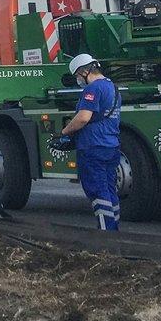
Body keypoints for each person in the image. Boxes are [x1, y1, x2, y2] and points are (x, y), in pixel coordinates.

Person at [58, 53, 122, 230]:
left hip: (93, 147)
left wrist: (64, 132)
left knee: (98, 191)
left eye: (78, 75)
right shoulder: (113, 87)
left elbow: (83, 118)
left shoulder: (92, 89)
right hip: (111, 146)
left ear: (85, 71)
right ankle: (114, 230)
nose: (78, 79)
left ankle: (105, 235)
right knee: (110, 189)